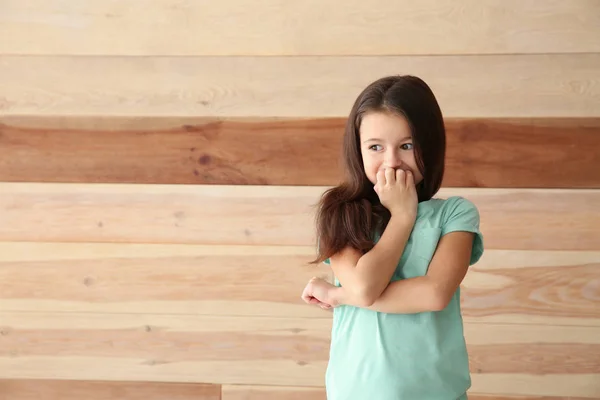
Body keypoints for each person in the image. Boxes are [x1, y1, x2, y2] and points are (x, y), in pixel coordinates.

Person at [301, 75, 484, 400]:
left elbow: (433, 295)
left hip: (437, 393)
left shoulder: (455, 214)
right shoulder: (341, 212)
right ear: (358, 151)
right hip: (355, 391)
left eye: (407, 146)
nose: (392, 161)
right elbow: (364, 288)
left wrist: (337, 296)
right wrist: (402, 215)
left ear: (431, 144)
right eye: (375, 147)